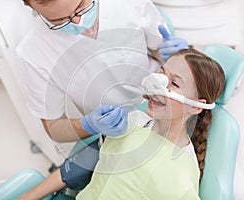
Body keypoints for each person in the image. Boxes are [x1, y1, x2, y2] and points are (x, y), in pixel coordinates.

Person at [17, 47, 225, 199]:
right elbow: (80, 164)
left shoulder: (180, 174)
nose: (157, 84)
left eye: (174, 83)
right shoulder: (132, 122)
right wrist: (29, 196)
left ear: (197, 107)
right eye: (161, 74)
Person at [17, 0, 188, 142]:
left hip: (168, 104)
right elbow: (55, 128)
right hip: (118, 134)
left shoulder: (126, 4)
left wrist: (174, 57)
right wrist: (88, 125)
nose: (78, 22)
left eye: (81, 7)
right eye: (60, 21)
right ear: (29, 5)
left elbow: (160, 49)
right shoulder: (33, 52)